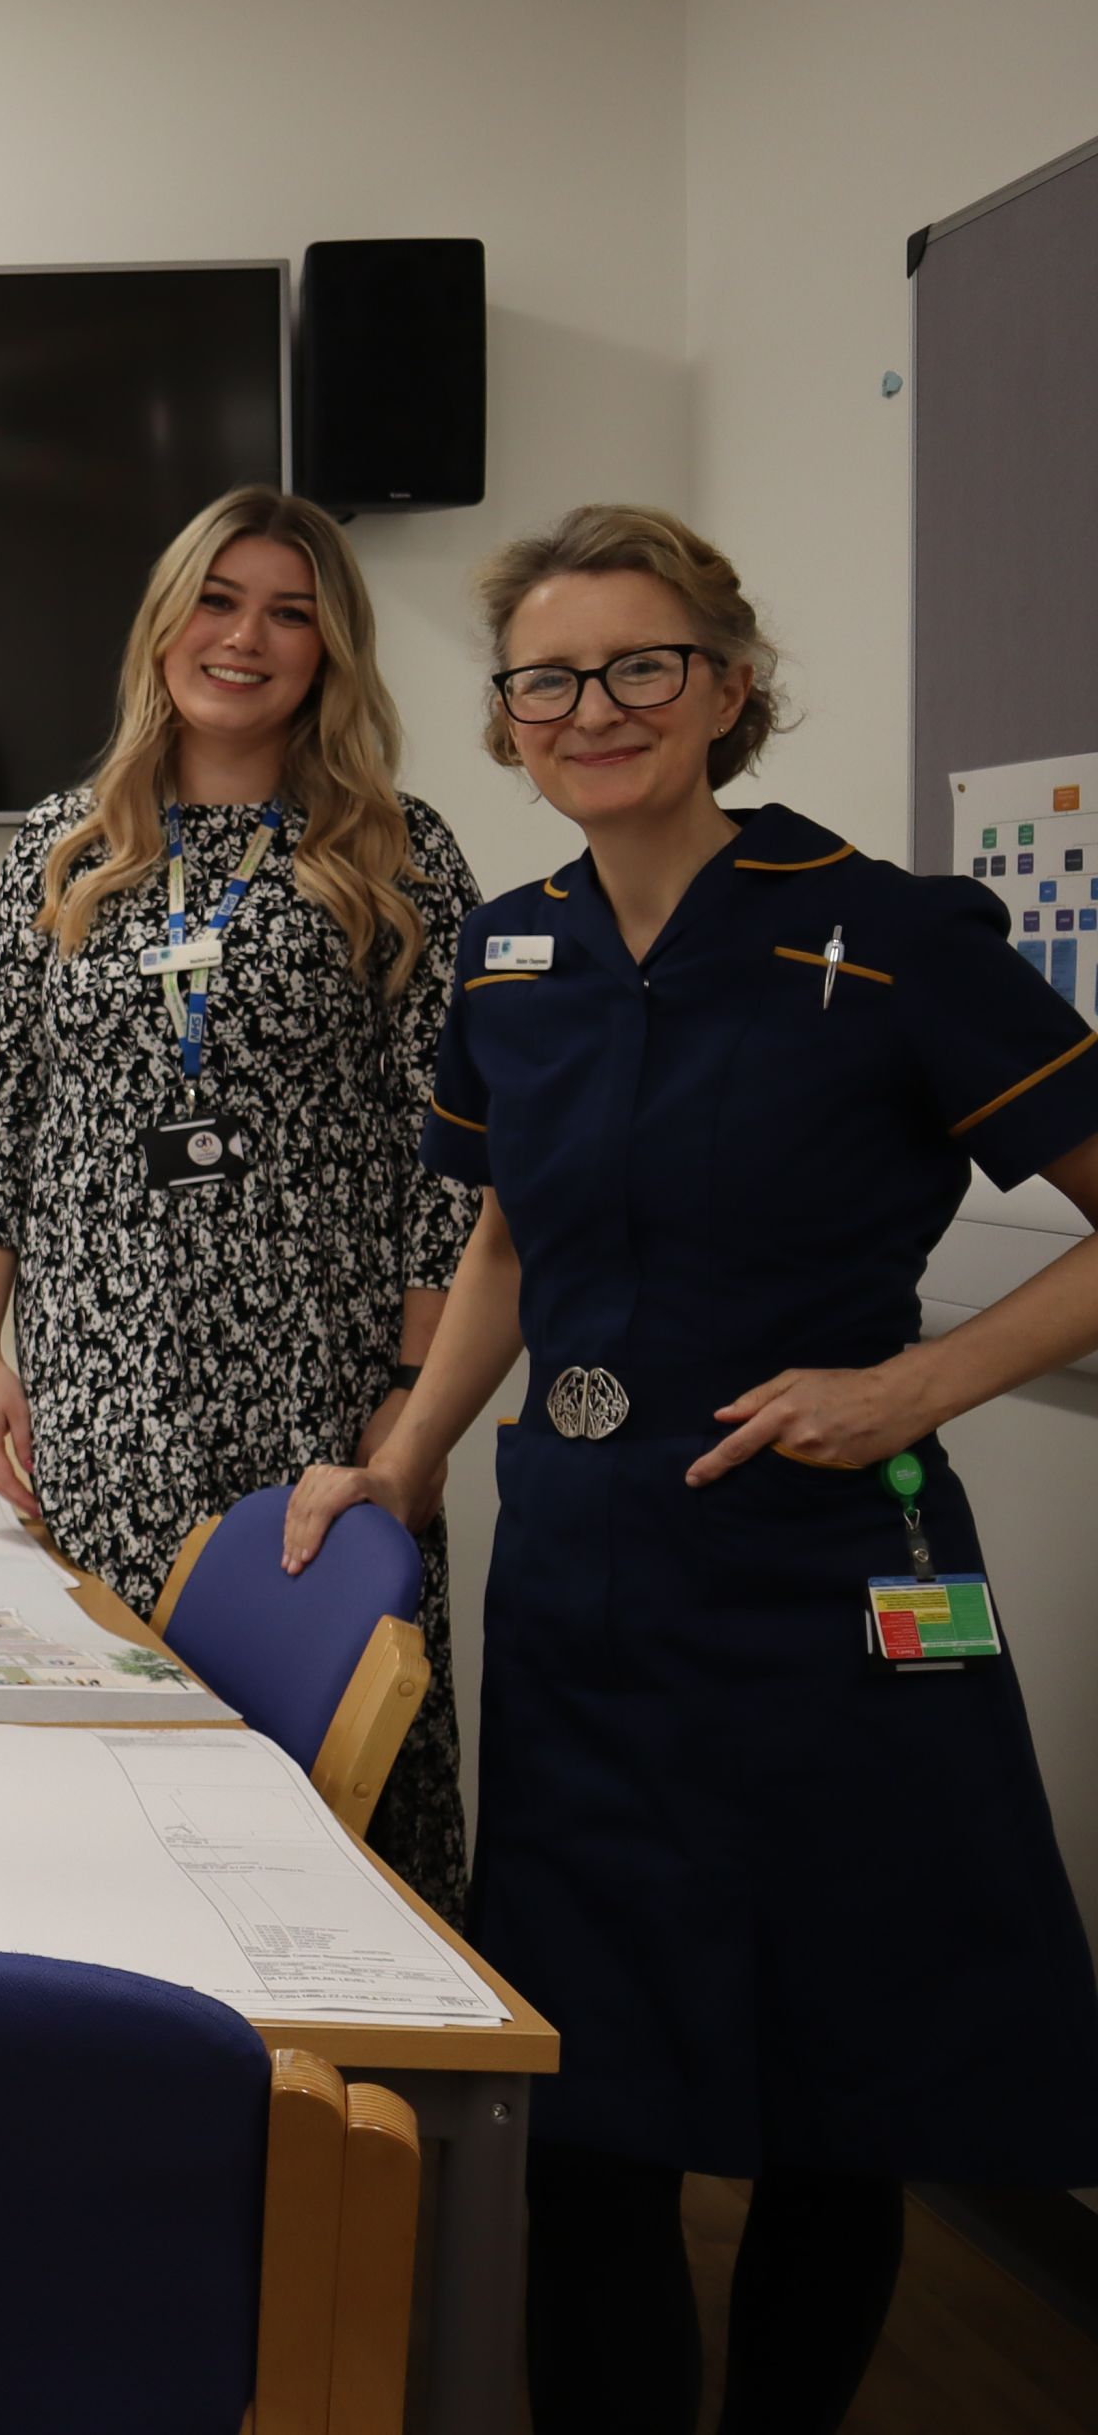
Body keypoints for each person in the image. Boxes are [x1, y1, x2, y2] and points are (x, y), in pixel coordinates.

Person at [285, 505, 1098, 2434]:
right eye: (548, 678)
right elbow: (500, 1250)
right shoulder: (507, 955)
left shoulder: (892, 935)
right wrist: (400, 1466)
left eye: (643, 664)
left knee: (852, 2081)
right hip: (580, 1582)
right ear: (503, 719)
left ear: (727, 685)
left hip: (831, 1585)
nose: (596, 707)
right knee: (590, 2094)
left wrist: (919, 1386)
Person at [0, 486, 482, 1915]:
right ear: (164, 622)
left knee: (325, 1780)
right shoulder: (62, 848)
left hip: (317, 1394)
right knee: (114, 1790)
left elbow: (456, 1156)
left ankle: (357, 2108)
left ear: (333, 650)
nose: (245, 636)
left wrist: (412, 1395)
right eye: (219, 597)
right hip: (98, 1395)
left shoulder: (398, 852)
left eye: (290, 611)